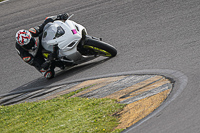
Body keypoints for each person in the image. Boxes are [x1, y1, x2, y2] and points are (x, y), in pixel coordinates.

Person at [15, 13, 69, 79]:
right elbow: (35, 63)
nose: (30, 43)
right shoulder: (24, 53)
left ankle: (63, 42)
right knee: (48, 75)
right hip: (36, 55)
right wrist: (46, 64)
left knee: (50, 29)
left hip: (41, 42)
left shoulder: (33, 32)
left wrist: (59, 16)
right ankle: (57, 62)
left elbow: (45, 22)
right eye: (28, 44)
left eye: (31, 40)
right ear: (22, 45)